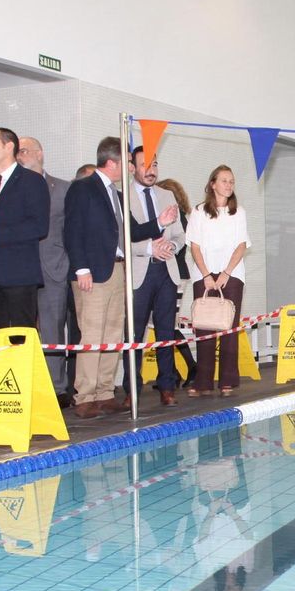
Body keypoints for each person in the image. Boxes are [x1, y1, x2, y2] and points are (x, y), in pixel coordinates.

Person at [62, 137, 177, 419]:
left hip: (117, 270)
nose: (129, 167)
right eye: (127, 161)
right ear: (111, 162)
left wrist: (160, 223)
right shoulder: (83, 188)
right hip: (93, 272)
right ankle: (85, 396)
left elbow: (131, 232)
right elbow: (72, 230)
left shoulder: (117, 194)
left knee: (113, 333)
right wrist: (81, 269)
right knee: (92, 334)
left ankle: (104, 392)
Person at [0, 127, 49, 348]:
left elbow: (39, 226)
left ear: (9, 146)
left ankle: (23, 383)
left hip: (19, 274)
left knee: (21, 336)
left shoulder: (32, 181)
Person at [126, 146, 186, 407]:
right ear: (133, 167)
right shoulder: (122, 197)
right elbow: (121, 241)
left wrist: (169, 247)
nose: (151, 171)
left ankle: (167, 386)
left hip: (166, 271)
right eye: (145, 165)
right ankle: (132, 389)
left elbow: (180, 235)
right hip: (140, 270)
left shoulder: (167, 194)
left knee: (165, 331)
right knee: (135, 333)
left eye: (155, 165)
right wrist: (150, 248)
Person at [185, 165, 251, 398]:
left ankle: (228, 380)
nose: (229, 185)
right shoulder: (199, 212)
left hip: (231, 275)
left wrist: (225, 273)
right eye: (224, 180)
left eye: (232, 181)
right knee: (203, 327)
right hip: (203, 275)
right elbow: (194, 245)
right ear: (212, 184)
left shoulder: (238, 212)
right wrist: (206, 275)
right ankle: (203, 382)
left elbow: (241, 245)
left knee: (228, 328)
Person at [18, 136, 74, 404]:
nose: (20, 155)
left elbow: (70, 230)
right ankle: (24, 388)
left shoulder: (62, 189)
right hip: (20, 269)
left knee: (52, 329)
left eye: (25, 150)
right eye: (17, 152)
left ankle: (56, 387)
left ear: (40, 153)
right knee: (21, 330)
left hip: (52, 267)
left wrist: (66, 262)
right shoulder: (12, 189)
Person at [157, 177, 198, 383]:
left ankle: (191, 367)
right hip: (178, 274)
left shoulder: (175, 216)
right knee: (164, 324)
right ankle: (172, 372)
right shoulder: (183, 216)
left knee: (167, 325)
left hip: (174, 275)